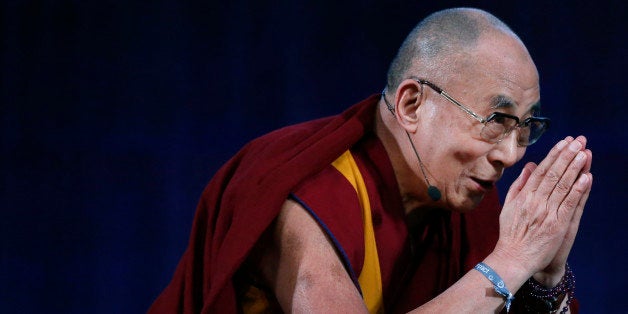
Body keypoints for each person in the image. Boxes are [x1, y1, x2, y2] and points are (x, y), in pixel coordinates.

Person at [149, 7, 593, 313]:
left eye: (525, 128)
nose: (511, 154)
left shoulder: (462, 203)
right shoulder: (305, 195)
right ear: (413, 105)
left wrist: (546, 277)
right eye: (496, 120)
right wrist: (511, 263)